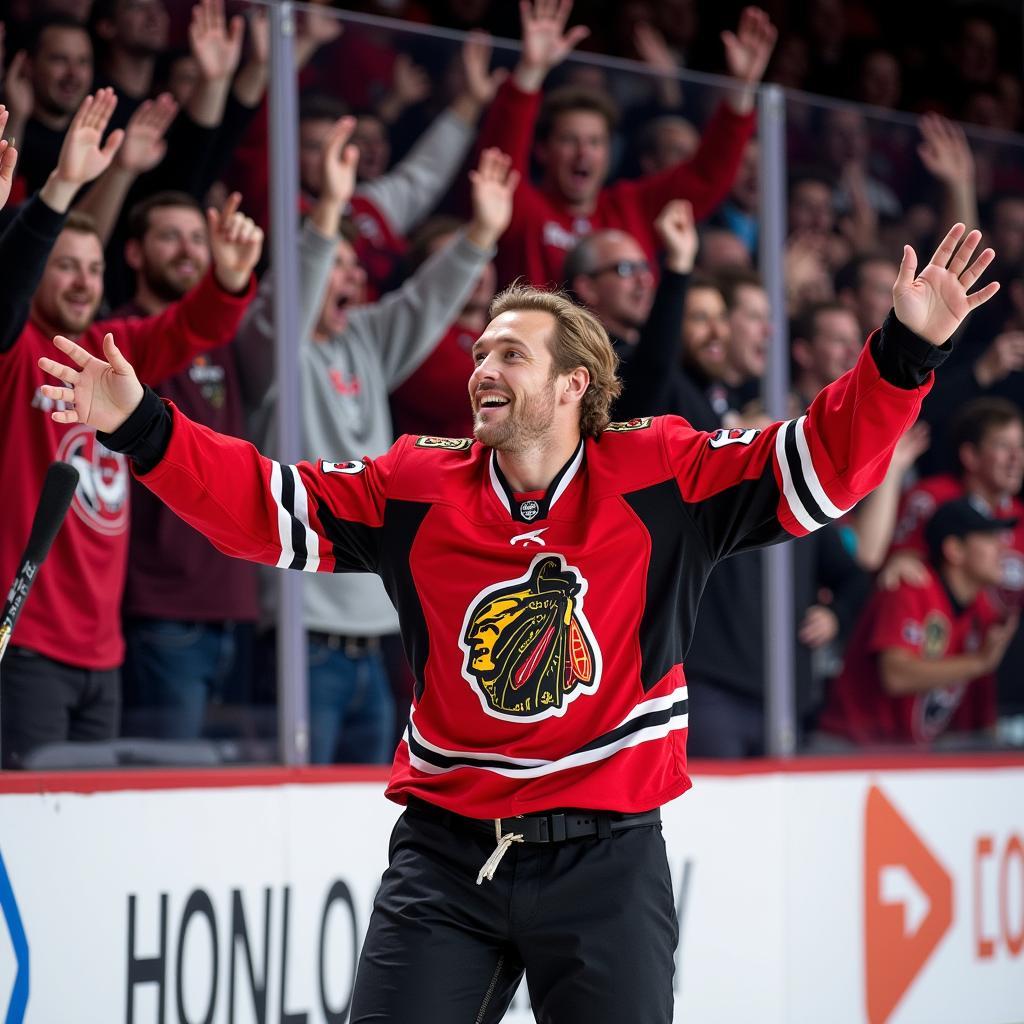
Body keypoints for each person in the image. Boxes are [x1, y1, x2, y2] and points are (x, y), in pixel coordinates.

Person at [39, 222, 996, 1019]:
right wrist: (143, 427)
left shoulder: (660, 473)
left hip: (608, 855)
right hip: (447, 855)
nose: (480, 369)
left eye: (511, 353)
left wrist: (904, 357)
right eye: (479, 351)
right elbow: (266, 505)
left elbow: (821, 464)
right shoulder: (419, 483)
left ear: (576, 384)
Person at [234, 122, 516, 765]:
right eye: (333, 263)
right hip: (300, 640)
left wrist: (480, 236)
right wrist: (328, 212)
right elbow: (287, 307)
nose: (351, 276)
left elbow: (423, 302)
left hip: (380, 634)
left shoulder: (364, 339)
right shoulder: (272, 351)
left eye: (355, 266)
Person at [0, 91, 261, 768]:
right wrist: (58, 190)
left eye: (93, 268)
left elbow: (187, 328)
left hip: (102, 650)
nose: (85, 283)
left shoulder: (109, 348)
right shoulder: (15, 351)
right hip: (23, 641)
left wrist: (227, 281)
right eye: (65, 266)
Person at [476, 0, 776, 287]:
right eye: (570, 140)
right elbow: (499, 163)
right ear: (543, 151)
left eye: (595, 142)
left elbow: (705, 178)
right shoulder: (526, 210)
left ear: (609, 153)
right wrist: (530, 70)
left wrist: (741, 92)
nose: (584, 153)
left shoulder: (631, 209)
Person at [113, 190, 260, 739]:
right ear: (133, 253)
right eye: (170, 236)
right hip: (160, 611)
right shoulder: (116, 345)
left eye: (197, 238)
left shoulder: (223, 337)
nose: (187, 250)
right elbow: (183, 328)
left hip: (233, 603)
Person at [816, 498, 1018, 748]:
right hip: (848, 748)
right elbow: (895, 675)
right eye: (988, 538)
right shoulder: (912, 586)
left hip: (906, 754)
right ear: (954, 549)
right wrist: (978, 663)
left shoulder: (980, 609)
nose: (1002, 547)